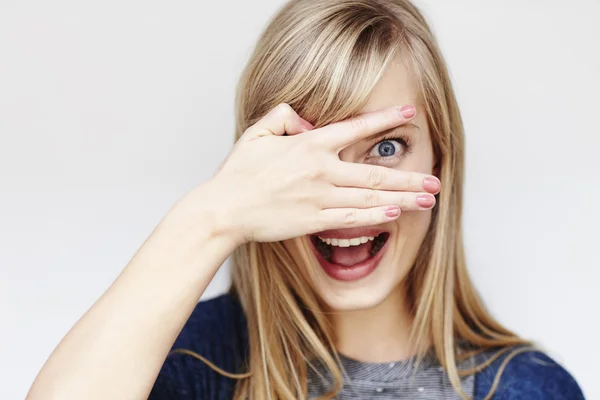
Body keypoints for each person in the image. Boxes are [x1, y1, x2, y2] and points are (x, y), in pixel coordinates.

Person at [27, 0, 585, 399]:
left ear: (440, 160)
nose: (342, 191)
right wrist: (210, 217)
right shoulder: (189, 364)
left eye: (386, 147)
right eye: (306, 150)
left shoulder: (529, 389)